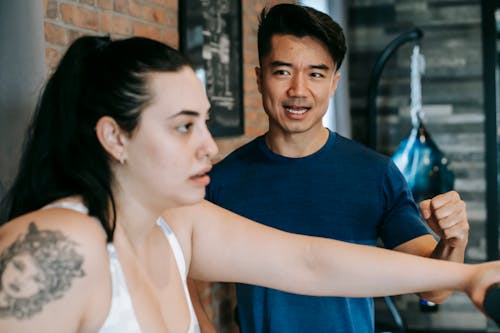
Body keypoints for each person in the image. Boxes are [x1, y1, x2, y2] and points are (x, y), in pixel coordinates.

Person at [0, 35, 498, 333]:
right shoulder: (61, 244)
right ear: (114, 136)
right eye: (182, 126)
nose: (209, 147)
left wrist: (470, 276)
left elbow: (311, 262)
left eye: (204, 123)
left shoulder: (176, 227)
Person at [200, 3, 472, 333]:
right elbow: (175, 266)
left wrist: (453, 241)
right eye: (282, 71)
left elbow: (436, 288)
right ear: (259, 78)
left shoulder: (376, 174)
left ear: (333, 83)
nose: (298, 91)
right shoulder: (223, 180)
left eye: (315, 74)